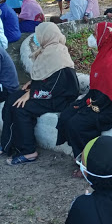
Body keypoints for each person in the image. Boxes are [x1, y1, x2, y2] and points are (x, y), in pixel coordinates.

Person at [56, 22, 112, 162]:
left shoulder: (111, 61)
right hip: (103, 99)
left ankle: (89, 163)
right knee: (67, 113)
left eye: (96, 35)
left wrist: (89, 105)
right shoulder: (108, 54)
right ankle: (81, 156)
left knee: (77, 124)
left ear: (104, 38)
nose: (93, 37)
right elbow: (102, 88)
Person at [1, 22, 79, 164]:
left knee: (21, 109)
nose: (37, 38)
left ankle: (28, 151)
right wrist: (32, 84)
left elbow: (54, 85)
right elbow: (47, 76)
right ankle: (7, 143)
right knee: (12, 99)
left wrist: (31, 93)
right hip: (49, 92)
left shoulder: (56, 53)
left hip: (60, 99)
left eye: (39, 35)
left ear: (47, 35)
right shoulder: (49, 50)